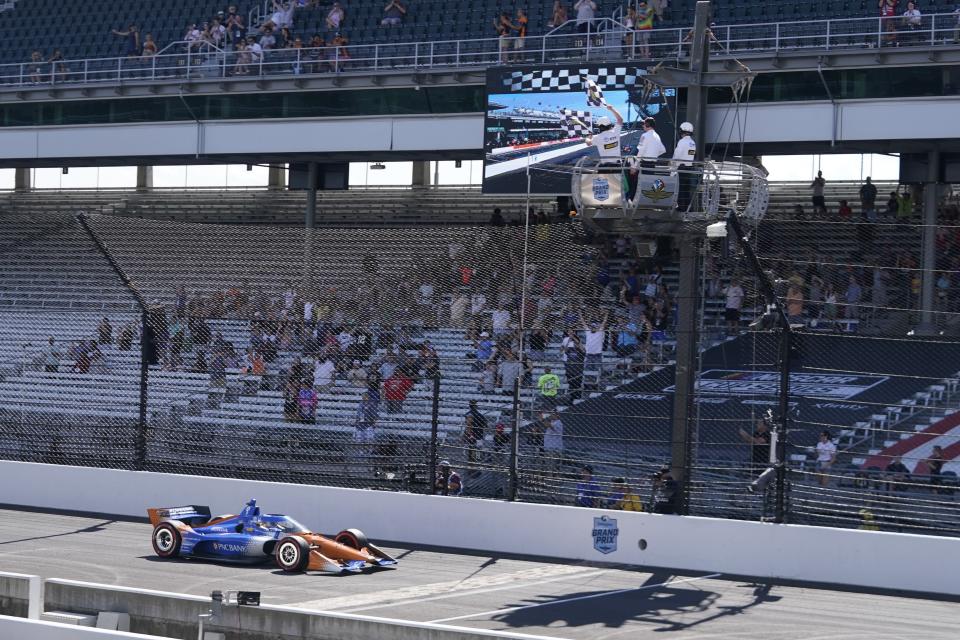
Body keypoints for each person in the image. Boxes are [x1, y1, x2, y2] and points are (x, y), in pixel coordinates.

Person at [672, 121, 697, 211]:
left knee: (681, 188)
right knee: (687, 188)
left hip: (681, 168)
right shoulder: (693, 143)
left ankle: (681, 207)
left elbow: (677, 155)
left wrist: (673, 165)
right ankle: (688, 207)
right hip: (689, 168)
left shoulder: (682, 142)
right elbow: (692, 155)